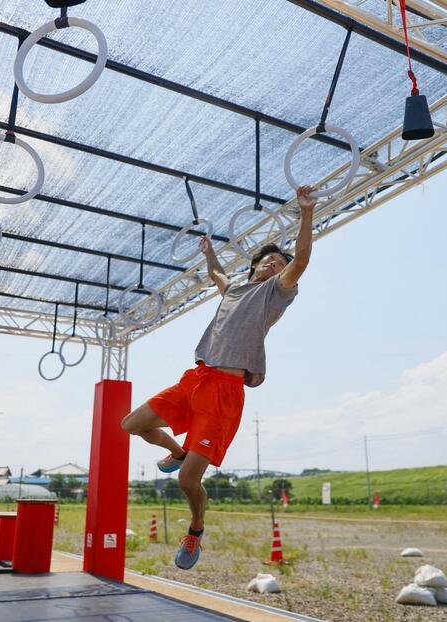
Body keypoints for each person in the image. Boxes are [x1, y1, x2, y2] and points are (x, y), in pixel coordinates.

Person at [121, 184, 318, 570]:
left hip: (224, 393)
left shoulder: (274, 294)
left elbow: (303, 261)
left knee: (187, 482)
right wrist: (208, 248)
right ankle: (176, 452)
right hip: (194, 380)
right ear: (255, 265)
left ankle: (195, 530)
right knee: (132, 424)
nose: (275, 265)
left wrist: (307, 210)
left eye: (280, 263)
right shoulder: (233, 290)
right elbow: (216, 274)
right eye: (270, 260)